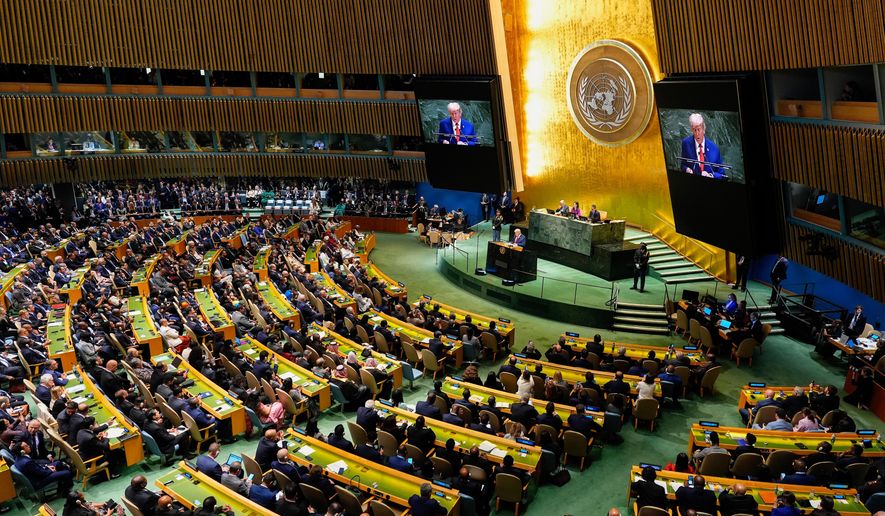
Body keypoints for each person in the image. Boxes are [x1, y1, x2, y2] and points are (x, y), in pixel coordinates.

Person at [680, 113, 723, 178]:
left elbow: (721, 173)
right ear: (691, 130)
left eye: (699, 129)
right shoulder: (686, 143)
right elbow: (683, 165)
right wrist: (687, 170)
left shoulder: (714, 148)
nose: (697, 133)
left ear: (704, 129)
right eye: (694, 130)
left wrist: (710, 175)